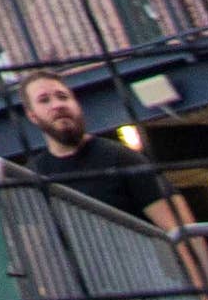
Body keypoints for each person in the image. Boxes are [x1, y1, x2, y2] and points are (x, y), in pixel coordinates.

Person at [9, 75, 172, 231]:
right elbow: (36, 247)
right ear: (32, 115)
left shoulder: (120, 157)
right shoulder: (31, 177)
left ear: (76, 103)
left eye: (63, 96)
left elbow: (181, 229)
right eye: (44, 100)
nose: (57, 105)